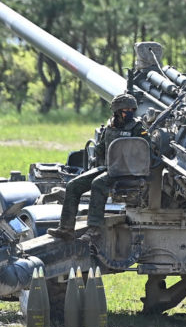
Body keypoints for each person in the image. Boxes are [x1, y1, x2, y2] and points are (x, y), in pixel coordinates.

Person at [47, 93, 150, 245]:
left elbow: (146, 149)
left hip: (127, 171)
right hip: (109, 168)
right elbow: (101, 149)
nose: (129, 112)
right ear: (117, 111)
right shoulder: (110, 127)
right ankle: (66, 229)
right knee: (73, 185)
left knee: (98, 184)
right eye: (125, 109)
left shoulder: (137, 128)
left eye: (131, 109)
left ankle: (94, 230)